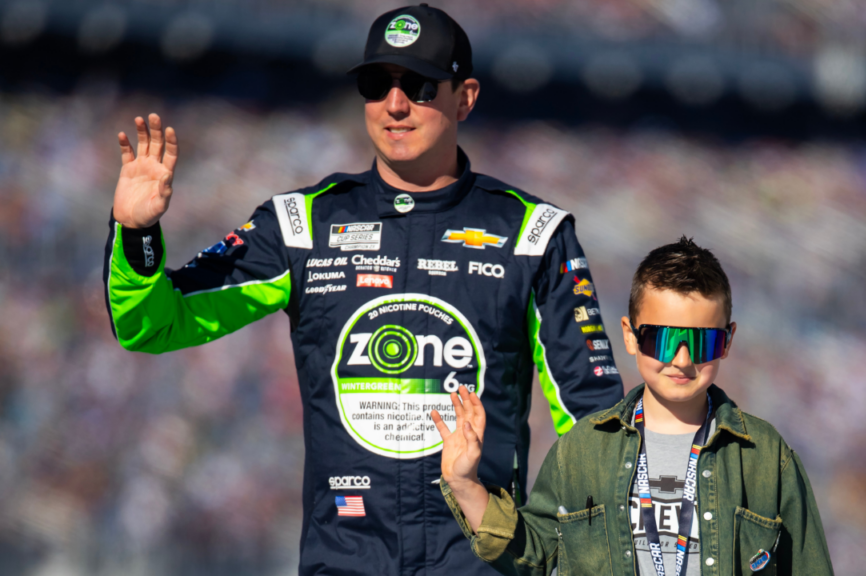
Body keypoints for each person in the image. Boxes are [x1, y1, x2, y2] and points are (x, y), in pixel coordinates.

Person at [103, 5, 623, 575]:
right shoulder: (301, 224)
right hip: (343, 562)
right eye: (377, 85)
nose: (395, 105)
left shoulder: (533, 233)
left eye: (420, 86)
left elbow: (590, 417)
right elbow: (154, 324)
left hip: (481, 563)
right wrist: (136, 234)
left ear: (465, 98)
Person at [434, 237, 835, 575]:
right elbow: (530, 557)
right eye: (661, 339)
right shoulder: (582, 449)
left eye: (702, 342)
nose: (681, 360)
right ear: (629, 336)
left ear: (727, 341)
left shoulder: (766, 455)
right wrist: (465, 485)